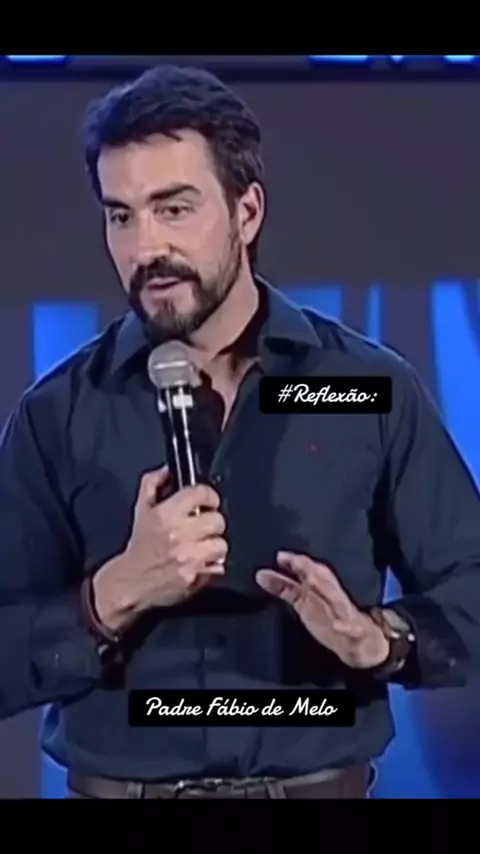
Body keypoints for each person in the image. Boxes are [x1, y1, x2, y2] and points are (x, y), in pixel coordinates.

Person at [1, 64, 480, 801]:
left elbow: (470, 587)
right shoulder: (59, 413)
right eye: (121, 216)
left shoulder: (364, 388)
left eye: (174, 208)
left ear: (246, 211)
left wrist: (381, 640)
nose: (145, 247)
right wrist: (111, 596)